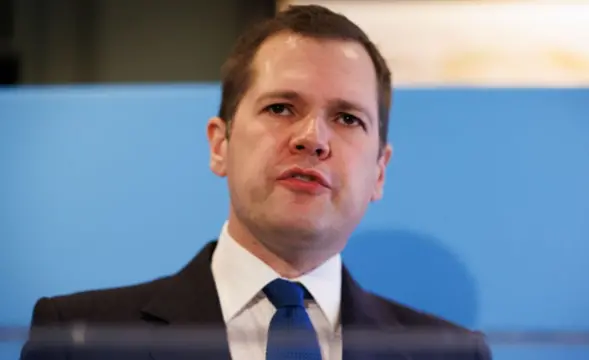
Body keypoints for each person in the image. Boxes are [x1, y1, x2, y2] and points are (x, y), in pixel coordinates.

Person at [21, 4, 491, 360]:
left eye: (347, 118)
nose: (313, 139)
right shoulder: (80, 338)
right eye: (281, 108)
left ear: (379, 172)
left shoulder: (451, 354)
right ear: (220, 144)